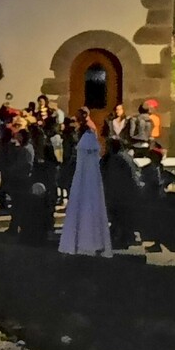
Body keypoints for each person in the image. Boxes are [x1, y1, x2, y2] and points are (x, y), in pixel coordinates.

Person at [58, 109, 112, 258]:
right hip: (86, 173)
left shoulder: (88, 130)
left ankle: (85, 241)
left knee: (86, 202)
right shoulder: (88, 131)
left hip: (86, 173)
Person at [101, 137, 144, 249]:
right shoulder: (125, 157)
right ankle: (124, 236)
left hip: (121, 193)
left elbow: (114, 177)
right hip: (125, 192)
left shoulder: (117, 159)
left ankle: (123, 238)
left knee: (119, 216)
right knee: (121, 216)